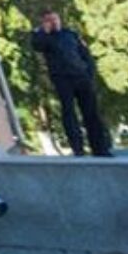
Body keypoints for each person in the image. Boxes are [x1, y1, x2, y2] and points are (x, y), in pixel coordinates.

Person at [31, 11, 112, 156]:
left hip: (81, 76)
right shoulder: (42, 36)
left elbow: (85, 54)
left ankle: (100, 148)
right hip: (62, 79)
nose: (54, 22)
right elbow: (38, 46)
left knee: (91, 112)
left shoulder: (70, 34)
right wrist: (45, 32)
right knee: (69, 112)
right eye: (49, 20)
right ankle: (77, 148)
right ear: (44, 22)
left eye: (55, 19)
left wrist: (89, 72)